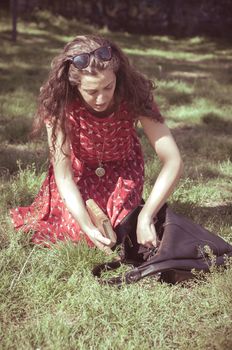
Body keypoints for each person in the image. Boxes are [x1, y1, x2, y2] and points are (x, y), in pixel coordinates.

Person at [10, 35, 183, 252]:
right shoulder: (60, 104)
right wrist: (85, 223)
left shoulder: (134, 93)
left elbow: (173, 160)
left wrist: (146, 217)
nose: (102, 99)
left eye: (108, 87)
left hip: (123, 172)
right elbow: (63, 175)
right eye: (91, 92)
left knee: (122, 234)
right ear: (74, 86)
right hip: (79, 174)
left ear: (117, 77)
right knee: (81, 235)